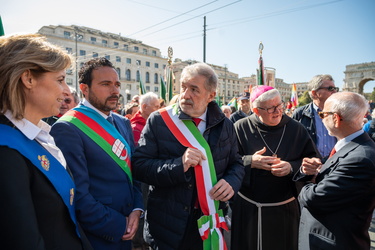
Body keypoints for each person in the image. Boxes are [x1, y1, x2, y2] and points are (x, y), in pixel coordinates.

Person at [132, 62, 245, 250]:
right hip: (168, 225)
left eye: (194, 89)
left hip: (210, 221)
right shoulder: (159, 120)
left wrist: (231, 182)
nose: (185, 95)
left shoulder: (225, 125)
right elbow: (140, 166)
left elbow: (237, 163)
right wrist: (179, 165)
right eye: (183, 87)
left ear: (211, 96)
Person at [0, 34, 91, 249]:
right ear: (28, 79)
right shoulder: (5, 152)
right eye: (60, 80)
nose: (66, 90)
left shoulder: (36, 136)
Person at [51, 57, 143, 249]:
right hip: (99, 235)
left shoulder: (122, 122)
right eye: (105, 84)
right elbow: (78, 195)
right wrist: (119, 225)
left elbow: (133, 172)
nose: (115, 90)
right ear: (84, 89)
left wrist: (136, 208)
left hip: (128, 225)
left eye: (117, 84)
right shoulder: (68, 127)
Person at [231, 85, 319, 250]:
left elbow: (313, 159)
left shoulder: (296, 128)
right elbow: (226, 161)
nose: (278, 111)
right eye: (271, 109)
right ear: (256, 111)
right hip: (248, 207)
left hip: (284, 207)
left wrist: (291, 166)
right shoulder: (240, 127)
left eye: (280, 106)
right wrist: (250, 161)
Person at [295, 92, 375, 249]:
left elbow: (314, 198)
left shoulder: (361, 158)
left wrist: (308, 181)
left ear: (336, 119)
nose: (321, 118)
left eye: (323, 114)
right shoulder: (353, 148)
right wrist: (315, 171)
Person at [293, 74, 338, 162]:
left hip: (335, 165)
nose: (335, 92)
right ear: (315, 93)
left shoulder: (340, 112)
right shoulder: (300, 114)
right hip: (310, 166)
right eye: (330, 88)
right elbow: (293, 143)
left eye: (335, 88)